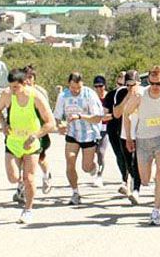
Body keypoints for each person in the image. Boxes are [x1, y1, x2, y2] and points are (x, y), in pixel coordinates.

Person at [121, 65, 160, 225]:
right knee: (145, 179)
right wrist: (129, 138)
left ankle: (156, 210)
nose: (155, 87)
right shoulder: (140, 95)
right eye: (152, 83)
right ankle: (154, 186)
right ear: (148, 81)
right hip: (143, 140)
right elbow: (126, 114)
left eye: (159, 84)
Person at [0, 69, 56, 224]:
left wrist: (35, 135)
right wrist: (3, 123)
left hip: (31, 142)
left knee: (29, 178)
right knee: (13, 177)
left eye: (16, 87)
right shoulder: (7, 95)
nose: (12, 90)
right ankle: (20, 186)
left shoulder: (36, 97)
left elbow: (50, 123)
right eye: (10, 86)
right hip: (13, 141)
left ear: (25, 83)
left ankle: (28, 210)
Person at [53, 72, 104, 205]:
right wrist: (60, 125)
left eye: (78, 88)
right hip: (72, 134)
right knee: (70, 162)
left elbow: (98, 117)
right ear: (68, 84)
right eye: (73, 88)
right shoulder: (63, 96)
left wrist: (80, 116)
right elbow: (57, 116)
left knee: (86, 167)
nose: (75, 91)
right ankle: (75, 192)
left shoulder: (89, 94)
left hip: (88, 133)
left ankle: (93, 167)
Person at [23, 65, 53, 194]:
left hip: (39, 131)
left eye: (30, 77)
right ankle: (22, 189)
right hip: (22, 131)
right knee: (22, 159)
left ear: (34, 78)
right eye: (25, 77)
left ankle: (47, 175)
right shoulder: (18, 91)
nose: (28, 80)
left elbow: (47, 114)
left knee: (39, 158)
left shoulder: (40, 93)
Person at [117, 71, 143, 204]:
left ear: (139, 82)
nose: (131, 87)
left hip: (141, 134)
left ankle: (136, 190)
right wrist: (127, 97)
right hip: (125, 133)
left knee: (137, 162)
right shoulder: (121, 93)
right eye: (128, 84)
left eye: (133, 84)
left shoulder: (144, 93)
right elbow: (116, 114)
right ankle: (133, 179)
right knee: (128, 163)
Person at [103, 71, 129, 194]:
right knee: (119, 154)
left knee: (130, 154)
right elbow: (105, 113)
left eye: (125, 77)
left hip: (130, 127)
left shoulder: (135, 94)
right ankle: (125, 179)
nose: (122, 79)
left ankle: (133, 179)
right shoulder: (111, 95)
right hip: (114, 127)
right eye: (120, 76)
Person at [92, 75, 110, 188]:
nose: (99, 89)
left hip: (105, 128)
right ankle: (92, 167)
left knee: (101, 152)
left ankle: (99, 176)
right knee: (91, 152)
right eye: (96, 86)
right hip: (93, 128)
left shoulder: (108, 97)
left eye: (101, 86)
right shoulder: (92, 97)